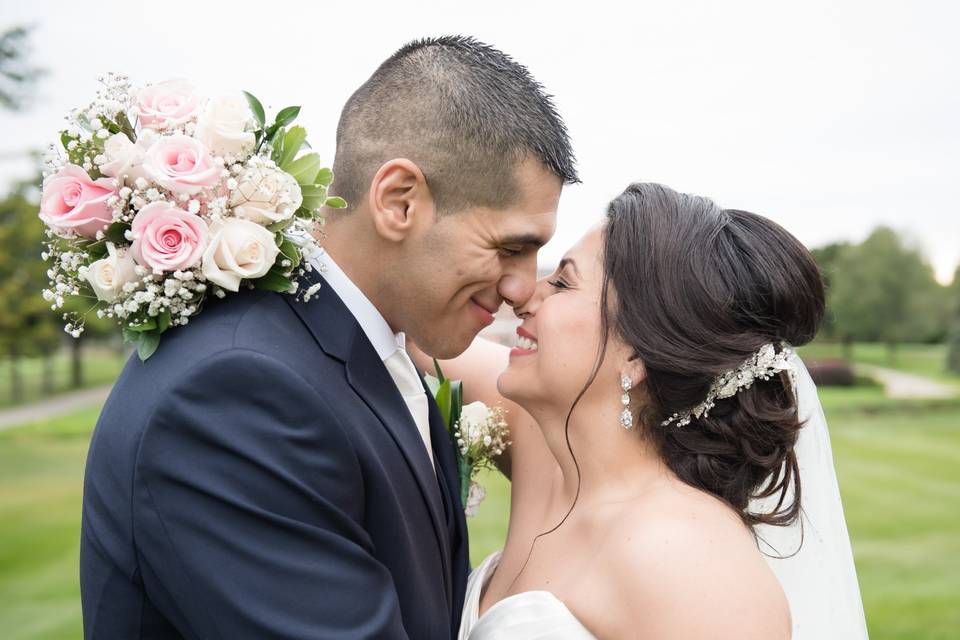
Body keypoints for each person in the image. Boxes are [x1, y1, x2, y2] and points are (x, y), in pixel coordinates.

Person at [80, 35, 578, 639]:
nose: (524, 288)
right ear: (399, 201)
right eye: (510, 247)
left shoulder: (359, 345)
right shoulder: (237, 394)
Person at [413, 183, 867, 638]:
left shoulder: (695, 563)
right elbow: (404, 320)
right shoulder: (538, 439)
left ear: (637, 356)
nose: (526, 295)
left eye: (564, 282)